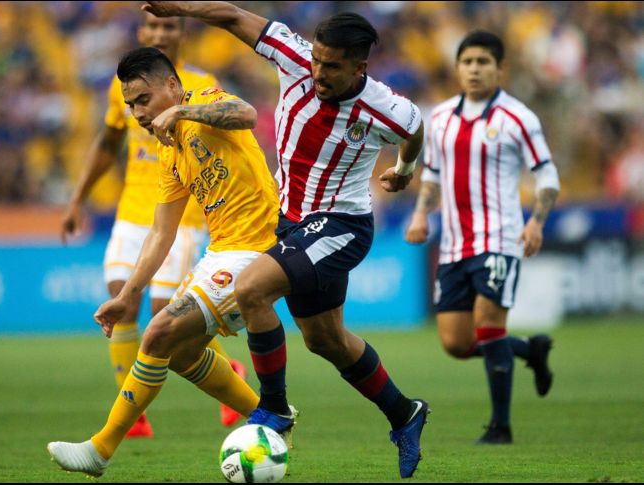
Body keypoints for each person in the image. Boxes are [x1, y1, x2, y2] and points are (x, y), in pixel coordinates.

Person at [143, 1, 429, 479]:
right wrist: (183, 7)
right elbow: (234, 17)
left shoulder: (388, 109)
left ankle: (273, 410)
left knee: (252, 288)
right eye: (316, 59)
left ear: (360, 67)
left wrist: (403, 171)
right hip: (291, 222)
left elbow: (415, 132)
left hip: (341, 224)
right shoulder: (293, 57)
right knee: (326, 340)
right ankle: (406, 413)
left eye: (332, 66)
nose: (318, 71)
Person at [47, 47, 282, 477]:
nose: (137, 112)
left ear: (172, 87)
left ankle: (100, 450)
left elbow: (245, 112)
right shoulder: (170, 154)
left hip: (260, 247)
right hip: (224, 250)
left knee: (158, 332)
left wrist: (182, 114)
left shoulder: (204, 100)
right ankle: (272, 415)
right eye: (130, 104)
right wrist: (127, 297)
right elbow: (161, 232)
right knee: (178, 352)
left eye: (144, 99)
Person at [60, 12, 246, 437]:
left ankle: (230, 371)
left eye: (169, 28)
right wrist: (77, 198)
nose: (160, 33)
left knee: (166, 312)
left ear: (184, 33)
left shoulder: (201, 82)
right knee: (118, 298)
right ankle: (134, 416)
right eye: (152, 27)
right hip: (132, 208)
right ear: (141, 32)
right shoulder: (120, 87)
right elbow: (108, 144)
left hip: (182, 213)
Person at [404, 31, 560, 444]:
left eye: (483, 62)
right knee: (456, 342)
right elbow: (433, 174)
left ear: (499, 68)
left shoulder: (517, 118)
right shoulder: (439, 118)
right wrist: (421, 215)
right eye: (467, 61)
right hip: (454, 243)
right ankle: (530, 350)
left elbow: (546, 175)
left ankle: (500, 427)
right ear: (457, 68)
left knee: (490, 327)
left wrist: (536, 221)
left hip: (500, 238)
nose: (474, 69)